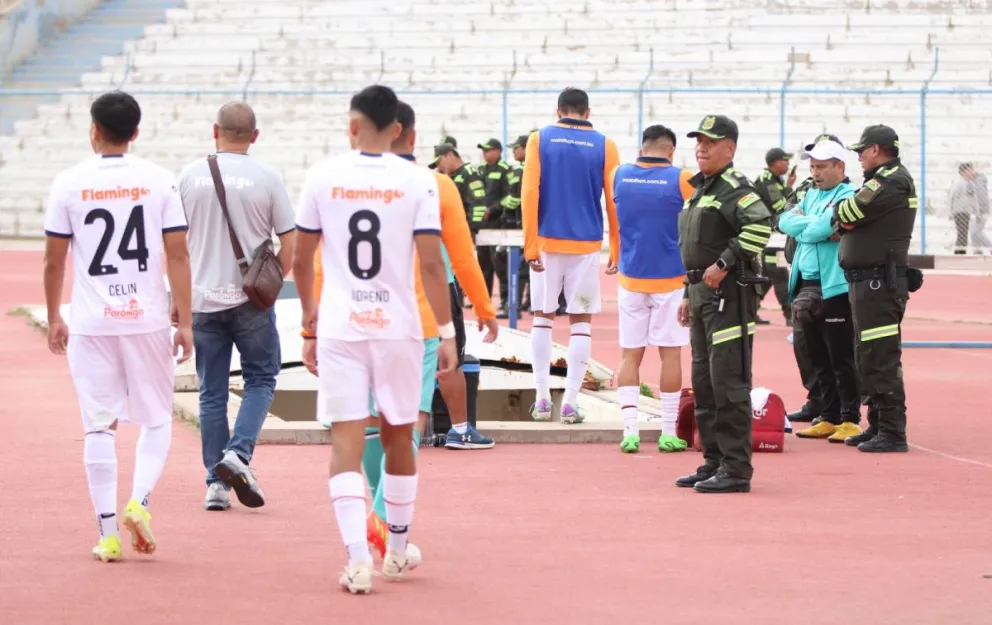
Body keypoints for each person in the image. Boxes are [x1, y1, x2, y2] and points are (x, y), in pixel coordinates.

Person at [292, 85, 457, 594]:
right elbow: (431, 263)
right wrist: (447, 331)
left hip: (343, 324)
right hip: (400, 327)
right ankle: (399, 548)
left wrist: (309, 320)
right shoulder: (418, 181)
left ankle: (357, 559)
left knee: (345, 437)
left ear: (352, 125)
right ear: (401, 131)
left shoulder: (322, 175)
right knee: (399, 433)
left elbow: (299, 260)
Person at [42, 90, 194, 561]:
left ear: (93, 130)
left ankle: (108, 534)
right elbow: (178, 253)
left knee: (98, 425)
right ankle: (139, 501)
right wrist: (184, 320)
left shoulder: (68, 183)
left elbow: (53, 258)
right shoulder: (159, 180)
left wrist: (53, 316)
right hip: (145, 318)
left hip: (91, 322)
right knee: (156, 419)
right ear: (136, 132)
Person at [176, 102, 296, 512]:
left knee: (211, 392)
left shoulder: (190, 176)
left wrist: (177, 301)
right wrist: (276, 279)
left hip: (203, 298)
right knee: (261, 379)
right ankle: (238, 455)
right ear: (255, 136)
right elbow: (289, 240)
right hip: (252, 299)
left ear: (215, 131)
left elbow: (174, 246)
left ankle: (216, 484)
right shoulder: (268, 177)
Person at [675, 115, 773, 494]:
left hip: (728, 296)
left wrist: (724, 263)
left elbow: (761, 227)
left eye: (710, 142)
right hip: (701, 294)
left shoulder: (736, 189)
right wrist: (688, 290)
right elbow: (695, 248)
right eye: (698, 140)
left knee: (728, 381)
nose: (701, 147)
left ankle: (735, 468)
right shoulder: (700, 189)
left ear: (730, 148)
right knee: (703, 381)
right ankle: (713, 461)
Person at [521, 87, 620, 424]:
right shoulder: (605, 144)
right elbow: (613, 199)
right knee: (580, 322)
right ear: (587, 112)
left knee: (542, 317)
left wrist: (530, 244)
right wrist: (617, 248)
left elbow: (529, 191)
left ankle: (542, 399)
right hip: (587, 243)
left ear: (558, 109)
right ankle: (571, 402)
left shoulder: (539, 139)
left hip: (546, 242)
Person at [605, 124, 694, 453]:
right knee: (670, 354)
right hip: (670, 278)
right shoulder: (682, 178)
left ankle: (629, 431)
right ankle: (668, 432)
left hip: (631, 276)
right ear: (671, 150)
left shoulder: (618, 175)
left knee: (630, 354)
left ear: (642, 148)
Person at [834, 125, 917, 453]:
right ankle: (877, 424)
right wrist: (844, 218)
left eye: (861, 150)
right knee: (866, 353)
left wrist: (844, 217)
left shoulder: (890, 180)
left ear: (878, 149)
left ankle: (893, 432)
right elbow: (845, 216)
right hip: (867, 281)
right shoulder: (881, 180)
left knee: (881, 355)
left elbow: (848, 211)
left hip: (879, 282)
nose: (858, 156)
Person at [778, 138, 862, 443]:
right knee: (817, 356)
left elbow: (814, 229)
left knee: (840, 355)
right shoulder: (810, 194)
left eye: (822, 166)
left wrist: (808, 227)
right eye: (812, 166)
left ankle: (850, 418)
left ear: (840, 166)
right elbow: (784, 221)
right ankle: (828, 415)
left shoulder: (851, 194)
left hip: (835, 285)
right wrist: (811, 226)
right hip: (805, 282)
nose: (816, 172)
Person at [753, 147, 797, 325]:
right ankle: (789, 315)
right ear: (774, 163)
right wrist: (788, 188)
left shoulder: (775, 180)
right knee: (779, 274)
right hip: (770, 236)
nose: (788, 164)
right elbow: (779, 205)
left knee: (769, 275)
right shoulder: (767, 180)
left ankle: (750, 309)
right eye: (784, 160)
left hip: (775, 236)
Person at [477, 138, 515, 317]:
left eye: (488, 150)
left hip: (498, 223)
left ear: (498, 152)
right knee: (483, 264)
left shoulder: (505, 171)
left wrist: (493, 209)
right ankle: (484, 302)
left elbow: (509, 197)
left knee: (499, 264)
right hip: (482, 226)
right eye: (483, 150)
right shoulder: (481, 170)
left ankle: (507, 301)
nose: (485, 153)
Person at [948, 163, 991, 254]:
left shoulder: (973, 182)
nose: (971, 172)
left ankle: (978, 250)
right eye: (969, 170)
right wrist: (951, 212)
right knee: (967, 233)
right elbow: (952, 197)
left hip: (972, 211)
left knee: (971, 233)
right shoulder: (960, 183)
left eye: (971, 169)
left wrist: (978, 211)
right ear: (964, 172)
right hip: (962, 211)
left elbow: (975, 199)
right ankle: (969, 252)